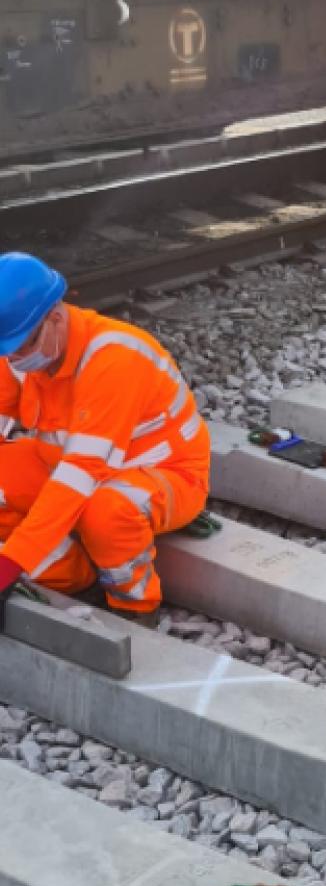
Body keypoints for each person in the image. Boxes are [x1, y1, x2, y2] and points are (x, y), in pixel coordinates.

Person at [0, 252, 210, 622]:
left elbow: (81, 473)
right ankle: (77, 576)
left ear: (56, 318)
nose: (14, 359)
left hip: (165, 475)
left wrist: (8, 565)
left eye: (21, 347)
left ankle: (135, 607)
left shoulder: (114, 360)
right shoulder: (19, 350)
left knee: (107, 510)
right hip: (66, 466)